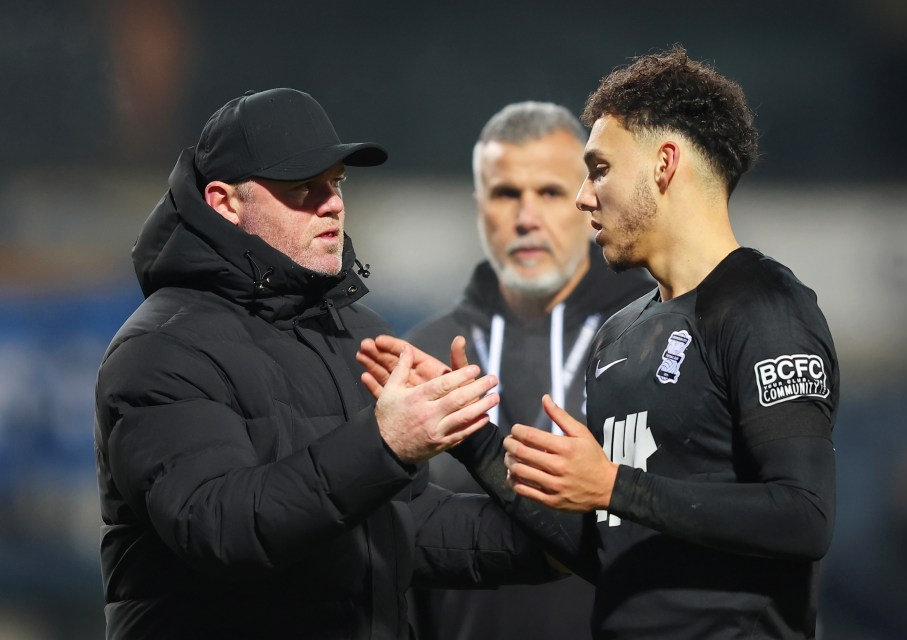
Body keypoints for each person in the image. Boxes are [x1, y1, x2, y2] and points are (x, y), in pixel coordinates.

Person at [359, 45, 840, 639]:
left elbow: (805, 517)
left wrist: (614, 484)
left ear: (665, 164)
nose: (585, 194)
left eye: (601, 169)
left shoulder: (763, 307)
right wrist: (475, 439)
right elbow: (605, 549)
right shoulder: (620, 336)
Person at [93, 87, 561, 640]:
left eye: (336, 183)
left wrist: (564, 534)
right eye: (302, 189)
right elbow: (222, 526)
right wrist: (385, 443)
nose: (332, 203)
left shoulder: (355, 332)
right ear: (225, 203)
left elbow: (400, 525)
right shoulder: (161, 350)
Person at [406, 102, 653, 640]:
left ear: (591, 197)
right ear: (479, 207)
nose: (526, 217)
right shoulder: (423, 354)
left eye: (549, 192)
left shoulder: (661, 341)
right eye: (505, 194)